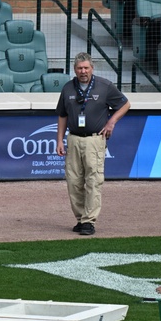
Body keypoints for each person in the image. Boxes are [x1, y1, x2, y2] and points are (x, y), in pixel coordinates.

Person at [55, 52, 129, 236]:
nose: (83, 71)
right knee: (74, 181)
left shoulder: (104, 86)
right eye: (79, 68)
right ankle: (80, 218)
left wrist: (111, 122)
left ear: (92, 68)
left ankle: (89, 221)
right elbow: (62, 115)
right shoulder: (67, 88)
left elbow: (125, 104)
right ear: (74, 69)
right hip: (73, 138)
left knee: (93, 180)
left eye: (86, 68)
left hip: (94, 140)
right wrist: (59, 140)